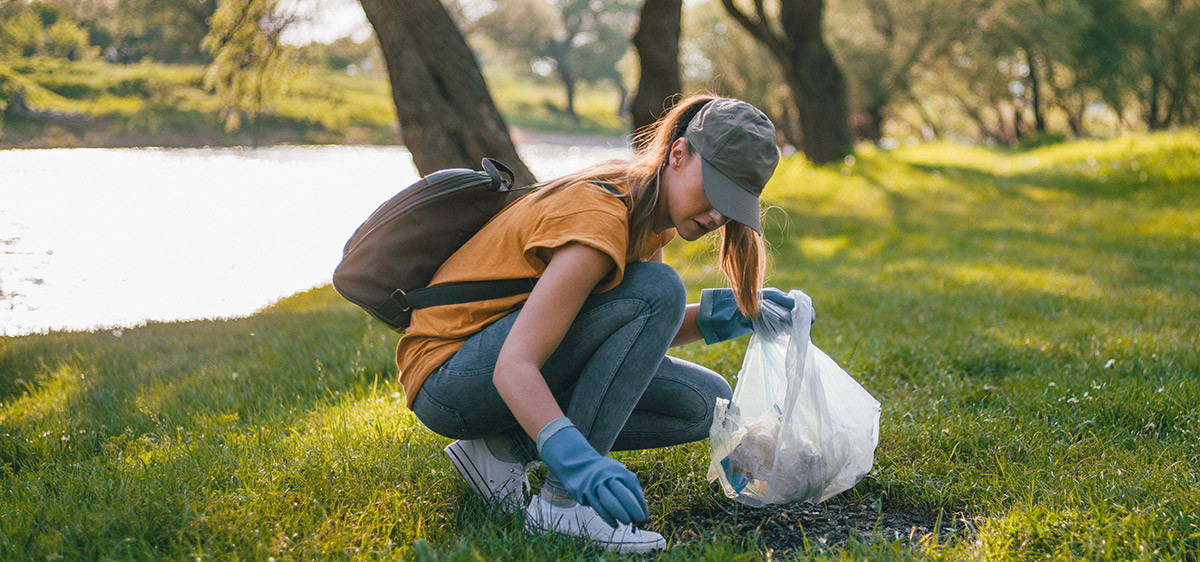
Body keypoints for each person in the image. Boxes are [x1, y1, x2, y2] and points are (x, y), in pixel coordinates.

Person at [395, 94, 793, 553]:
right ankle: (561, 509)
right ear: (679, 155)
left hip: (487, 364)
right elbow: (514, 365)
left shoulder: (646, 210)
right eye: (716, 192)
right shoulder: (601, 217)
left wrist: (725, 316)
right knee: (660, 288)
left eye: (734, 205)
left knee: (706, 404)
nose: (718, 216)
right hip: (450, 380)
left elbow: (627, 336)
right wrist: (575, 463)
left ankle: (502, 450)